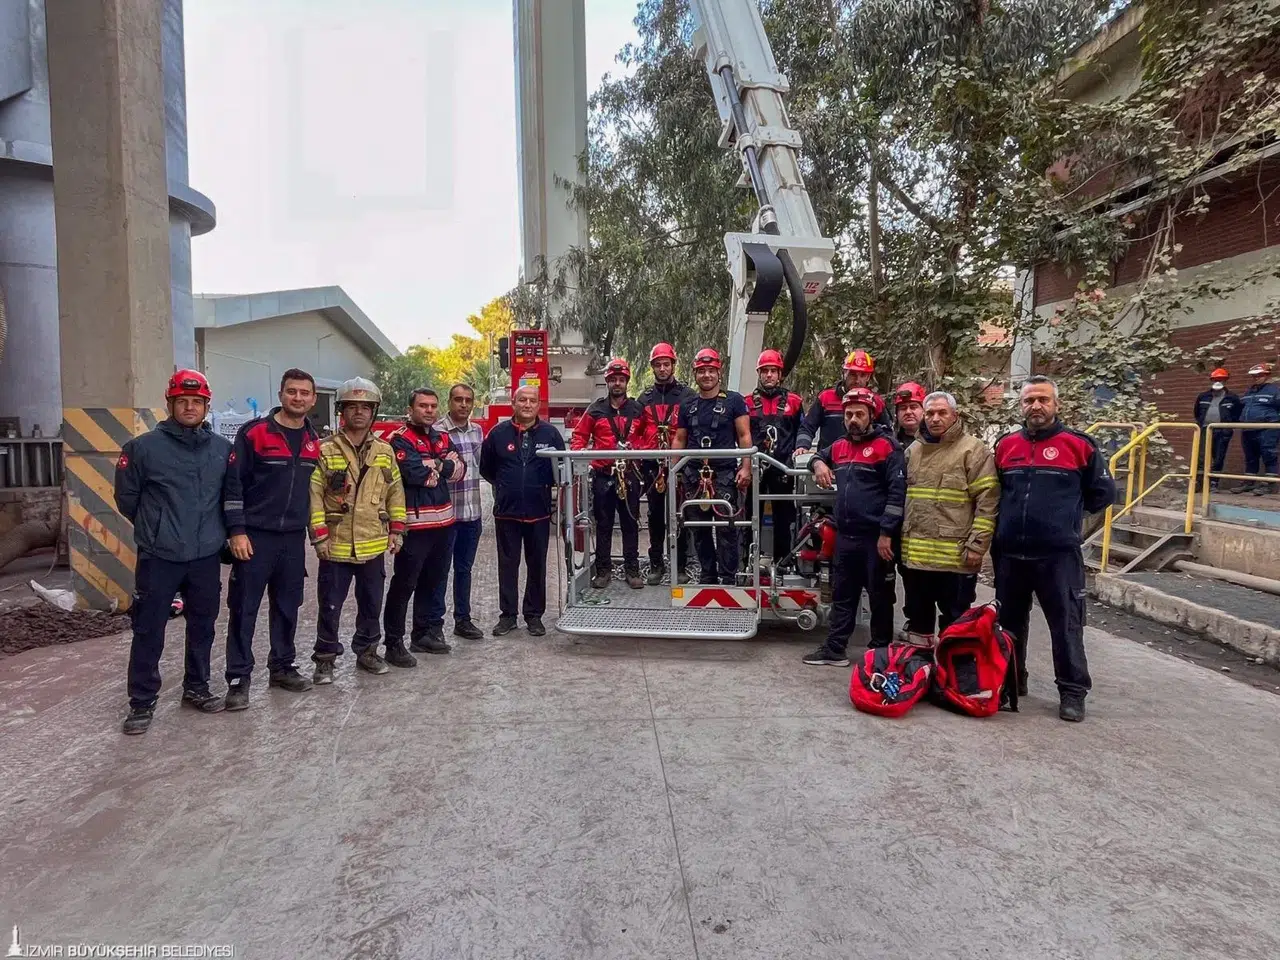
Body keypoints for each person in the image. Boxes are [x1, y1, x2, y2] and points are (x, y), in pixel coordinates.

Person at [114, 370, 232, 734]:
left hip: (205, 555)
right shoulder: (142, 448)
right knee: (149, 628)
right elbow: (127, 499)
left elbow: (228, 497)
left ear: (206, 406)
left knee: (202, 625)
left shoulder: (221, 450)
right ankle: (142, 701)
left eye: (197, 402)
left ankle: (196, 687)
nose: (190, 407)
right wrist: (158, 527)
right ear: (171, 404)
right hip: (159, 555)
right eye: (183, 401)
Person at [992, 375, 1115, 722]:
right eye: (1029, 400)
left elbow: (1103, 494)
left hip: (1058, 556)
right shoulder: (1005, 446)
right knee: (1008, 624)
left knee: (1066, 625)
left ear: (1056, 405)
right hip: (1010, 554)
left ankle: (1072, 692)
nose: (1036, 406)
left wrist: (1066, 521)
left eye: (1043, 400)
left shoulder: (1080, 446)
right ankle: (1011, 682)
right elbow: (996, 492)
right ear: (1021, 406)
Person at [220, 369, 321, 710]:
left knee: (288, 606)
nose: (298, 398)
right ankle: (238, 677)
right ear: (281, 394)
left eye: (305, 393)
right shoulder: (255, 434)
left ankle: (282, 666)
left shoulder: (313, 441)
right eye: (292, 391)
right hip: (255, 536)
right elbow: (232, 485)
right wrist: (236, 530)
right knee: (244, 608)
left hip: (292, 539)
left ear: (312, 399)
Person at [308, 378, 407, 682]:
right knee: (330, 606)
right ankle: (325, 659)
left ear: (374, 411)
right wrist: (319, 536)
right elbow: (313, 494)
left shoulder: (384, 451)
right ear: (341, 411)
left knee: (371, 603)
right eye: (352, 407)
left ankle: (367, 652)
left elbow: (395, 491)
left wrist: (396, 530)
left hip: (372, 543)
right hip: (335, 545)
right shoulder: (324, 450)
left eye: (366, 407)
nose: (359, 413)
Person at [802, 387, 905, 666]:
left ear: (872, 415)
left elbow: (897, 495)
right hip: (846, 536)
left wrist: (886, 534)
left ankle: (880, 652)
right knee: (842, 595)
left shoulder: (888, 447)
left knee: (880, 597)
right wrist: (818, 463)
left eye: (860, 414)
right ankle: (835, 649)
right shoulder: (840, 446)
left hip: (876, 539)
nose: (853, 420)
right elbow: (816, 455)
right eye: (848, 415)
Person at [900, 392, 998, 644]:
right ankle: (919, 675)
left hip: (955, 561)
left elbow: (988, 502)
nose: (935, 418)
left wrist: (977, 545)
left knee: (956, 628)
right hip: (917, 562)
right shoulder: (913, 451)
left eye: (942, 413)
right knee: (918, 627)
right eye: (930, 413)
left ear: (954, 415)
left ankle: (951, 679)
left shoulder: (973, 450)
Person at [383, 387, 465, 661]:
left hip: (444, 524)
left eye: (432, 406)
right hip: (415, 527)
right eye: (422, 406)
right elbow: (416, 475)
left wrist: (438, 467)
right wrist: (442, 466)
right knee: (404, 584)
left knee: (433, 581)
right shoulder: (399, 439)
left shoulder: (443, 436)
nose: (428, 410)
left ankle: (423, 635)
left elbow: (460, 470)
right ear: (411, 409)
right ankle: (393, 643)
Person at [480, 385, 565, 636]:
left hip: (538, 512)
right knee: (508, 565)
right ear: (513, 403)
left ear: (539, 405)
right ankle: (507, 616)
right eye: (522, 400)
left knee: (537, 565)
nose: (527, 405)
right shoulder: (498, 434)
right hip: (506, 513)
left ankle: (534, 616)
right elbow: (487, 468)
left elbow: (560, 467)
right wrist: (507, 485)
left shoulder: (550, 434)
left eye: (532, 401)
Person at [672, 348, 753, 584]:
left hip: (725, 475)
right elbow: (679, 439)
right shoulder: (688, 406)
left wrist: (746, 467)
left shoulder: (734, 401)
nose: (706, 375)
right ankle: (708, 577)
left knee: (727, 529)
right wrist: (673, 471)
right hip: (694, 476)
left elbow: (745, 435)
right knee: (699, 529)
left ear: (719, 372)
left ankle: (728, 578)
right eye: (701, 371)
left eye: (710, 371)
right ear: (695, 374)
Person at [570, 358, 646, 589]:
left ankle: (632, 570)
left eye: (621, 380)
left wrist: (638, 451)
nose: (617, 384)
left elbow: (647, 437)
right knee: (602, 524)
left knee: (630, 523)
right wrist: (581, 458)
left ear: (626, 382)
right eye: (613, 380)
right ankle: (603, 571)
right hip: (604, 475)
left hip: (630, 474)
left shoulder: (637, 409)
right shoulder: (595, 410)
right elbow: (579, 437)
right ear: (607, 382)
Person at [428, 383, 486, 640]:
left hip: (472, 515)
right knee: (440, 571)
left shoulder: (477, 431)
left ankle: (463, 620)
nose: (463, 404)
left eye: (468, 400)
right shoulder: (436, 431)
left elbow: (482, 466)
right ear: (449, 402)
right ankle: (434, 625)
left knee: (464, 570)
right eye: (458, 400)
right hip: (445, 517)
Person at [637, 342, 696, 584]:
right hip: (653, 466)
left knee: (680, 514)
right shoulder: (645, 398)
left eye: (666, 364)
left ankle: (680, 565)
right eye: (658, 365)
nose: (662, 369)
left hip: (680, 466)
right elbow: (637, 431)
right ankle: (656, 565)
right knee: (655, 515)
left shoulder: (687, 396)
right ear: (652, 367)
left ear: (673, 365)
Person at [743, 348, 805, 565]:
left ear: (780, 374)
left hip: (783, 468)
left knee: (784, 517)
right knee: (751, 516)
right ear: (759, 374)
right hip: (756, 468)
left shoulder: (795, 403)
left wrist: (799, 453)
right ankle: (748, 560)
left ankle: (783, 562)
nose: (769, 375)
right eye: (765, 371)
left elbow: (802, 433)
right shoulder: (747, 403)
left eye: (773, 371)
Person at [795, 348, 892, 455]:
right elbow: (807, 426)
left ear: (868, 377)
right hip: (827, 464)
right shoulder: (826, 398)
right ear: (844, 373)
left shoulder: (876, 402)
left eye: (863, 375)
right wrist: (802, 445)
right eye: (853, 374)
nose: (857, 380)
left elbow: (887, 434)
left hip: (864, 464)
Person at [1192, 368, 1241, 490]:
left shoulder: (1232, 398)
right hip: (1205, 430)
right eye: (1216, 379)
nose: (1218, 381)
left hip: (1222, 431)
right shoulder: (1203, 396)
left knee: (1218, 456)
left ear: (1226, 381)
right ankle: (1199, 482)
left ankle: (1213, 482)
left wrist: (1228, 425)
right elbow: (1197, 412)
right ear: (1211, 380)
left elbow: (1236, 413)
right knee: (1202, 456)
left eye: (1221, 379)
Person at [1239, 362, 1278, 494]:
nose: (1256, 378)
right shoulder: (1249, 391)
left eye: (1259, 375)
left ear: (1267, 375)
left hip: (1267, 429)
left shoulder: (1274, 391)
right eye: (1254, 376)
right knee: (1250, 456)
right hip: (1248, 429)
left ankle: (1269, 484)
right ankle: (1249, 482)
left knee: (1269, 455)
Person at [893, 382, 926, 447]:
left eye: (913, 407)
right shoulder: (890, 444)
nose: (908, 412)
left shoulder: (936, 441)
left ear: (924, 411)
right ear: (897, 414)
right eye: (903, 408)